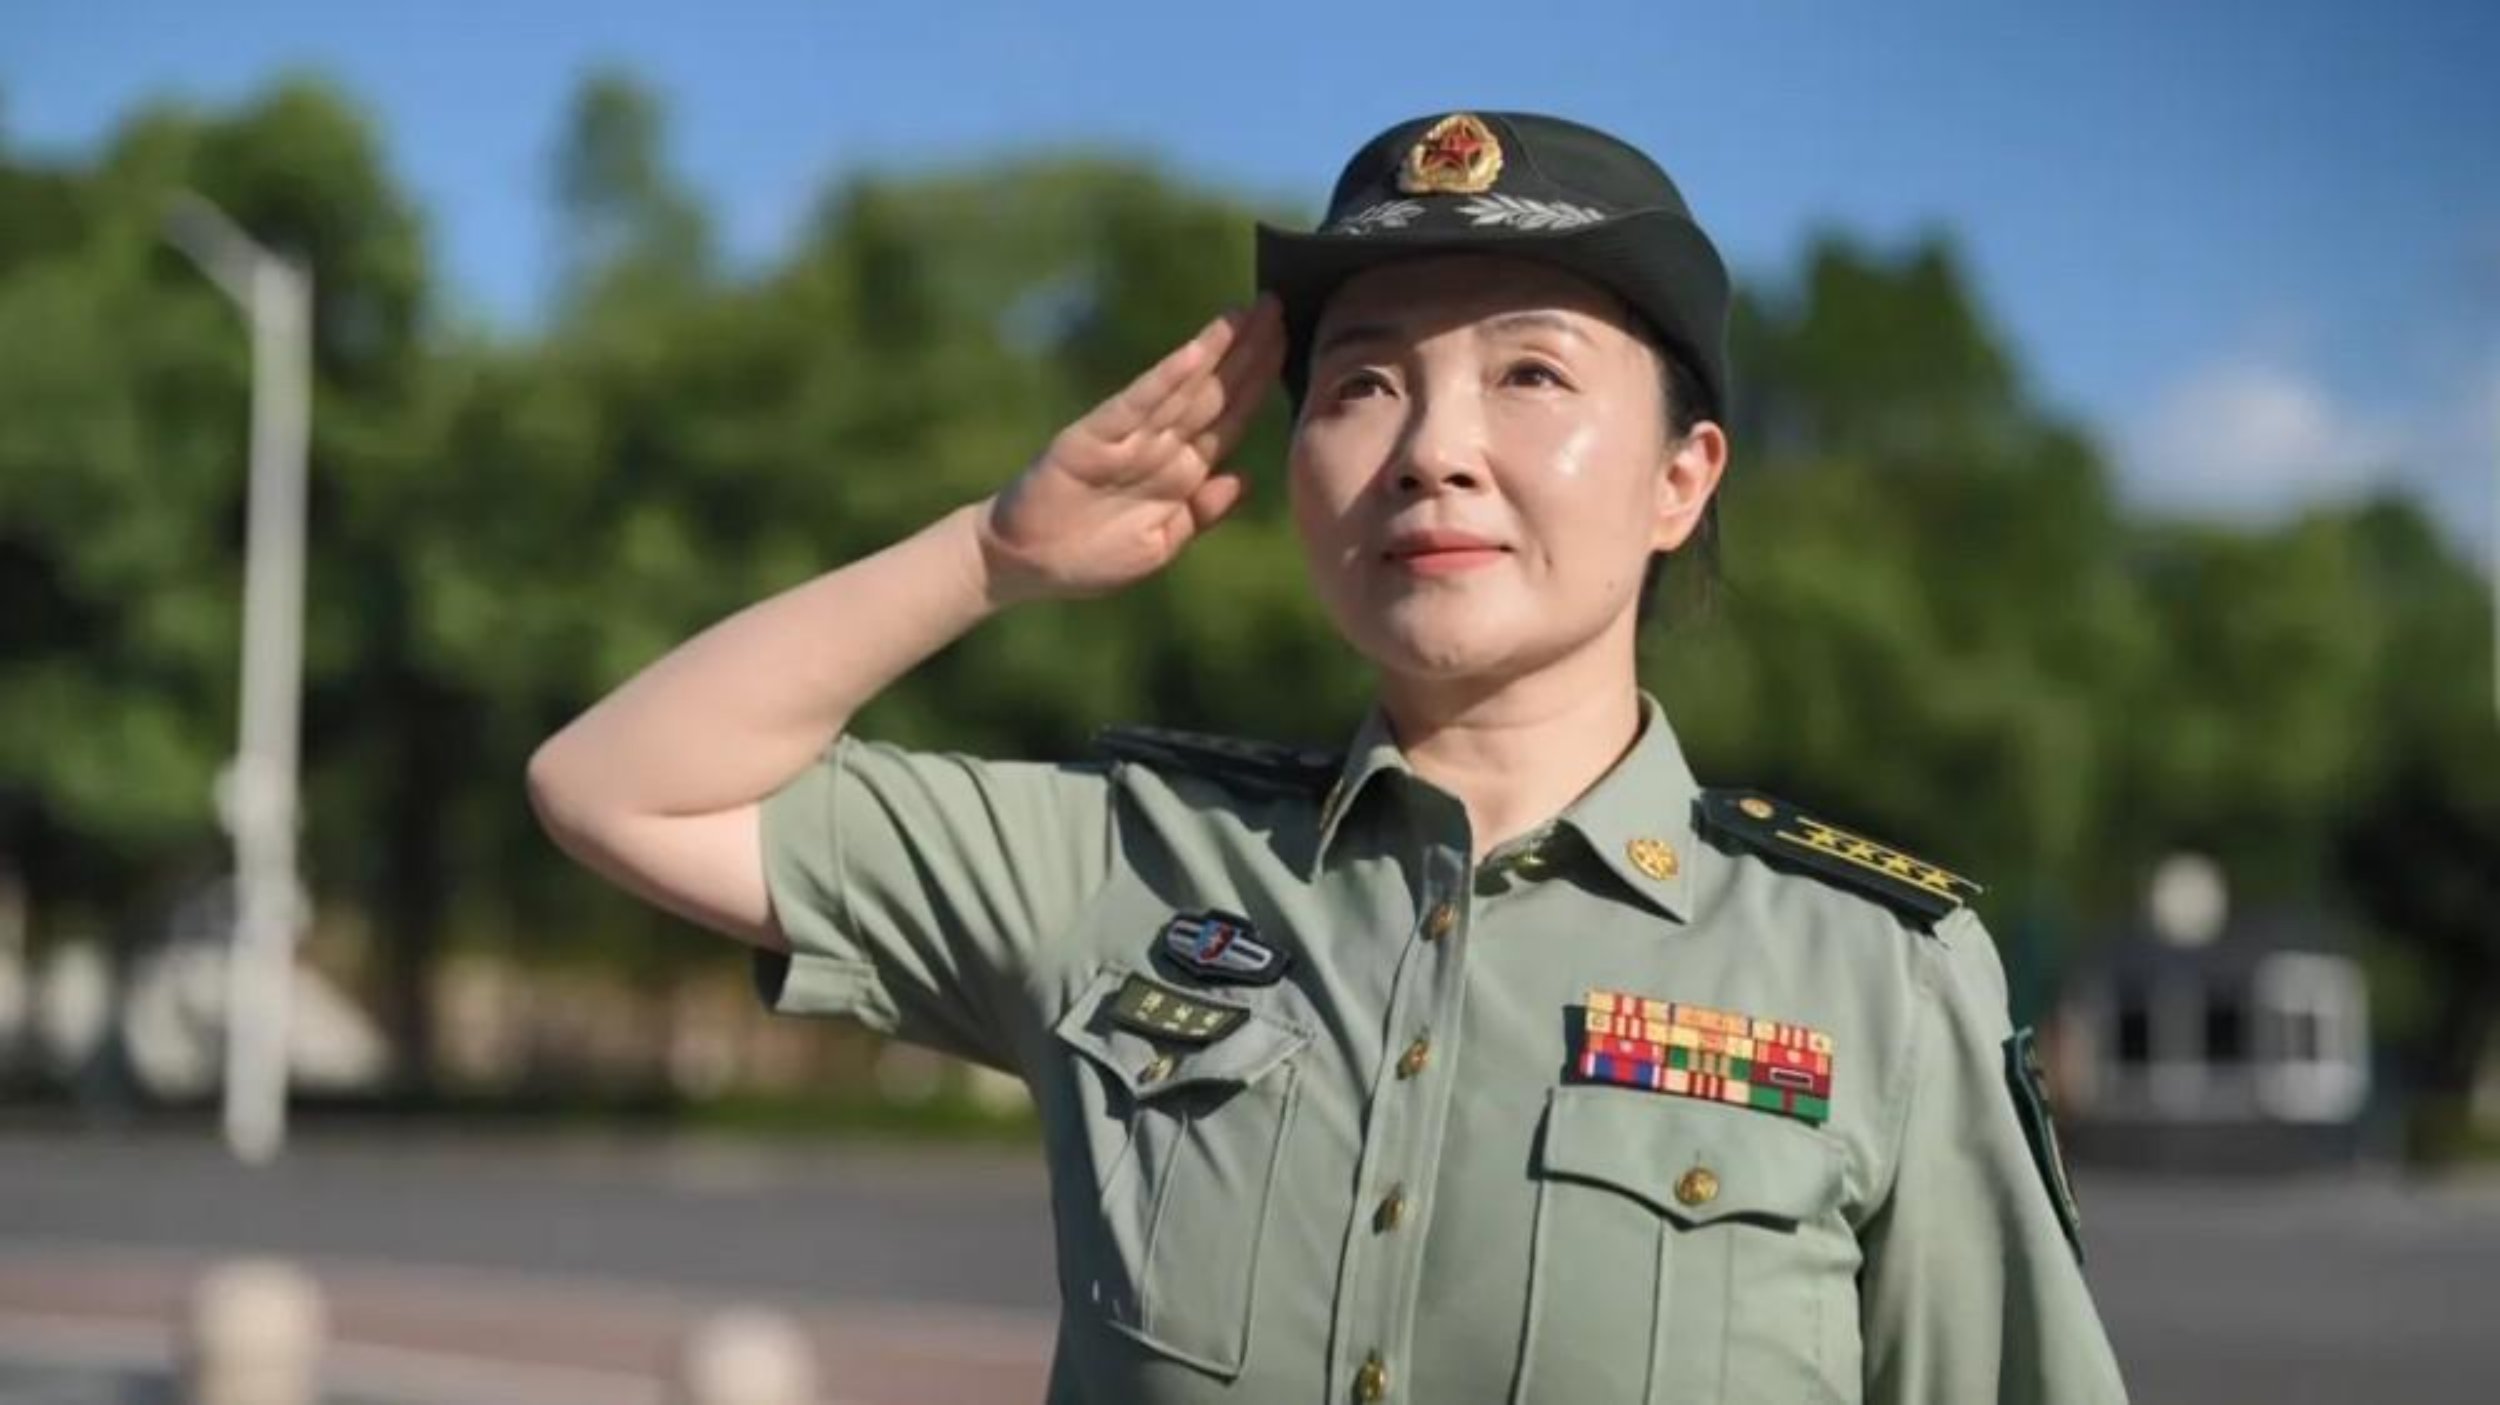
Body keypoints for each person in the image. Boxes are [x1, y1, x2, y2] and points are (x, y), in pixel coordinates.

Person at [529, 110, 2129, 1405]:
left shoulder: (1878, 976)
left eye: (1530, 374)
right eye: (1363, 382)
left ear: (1681, 478)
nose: (1432, 447)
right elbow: (616, 785)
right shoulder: (1130, 863)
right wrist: (989, 557)